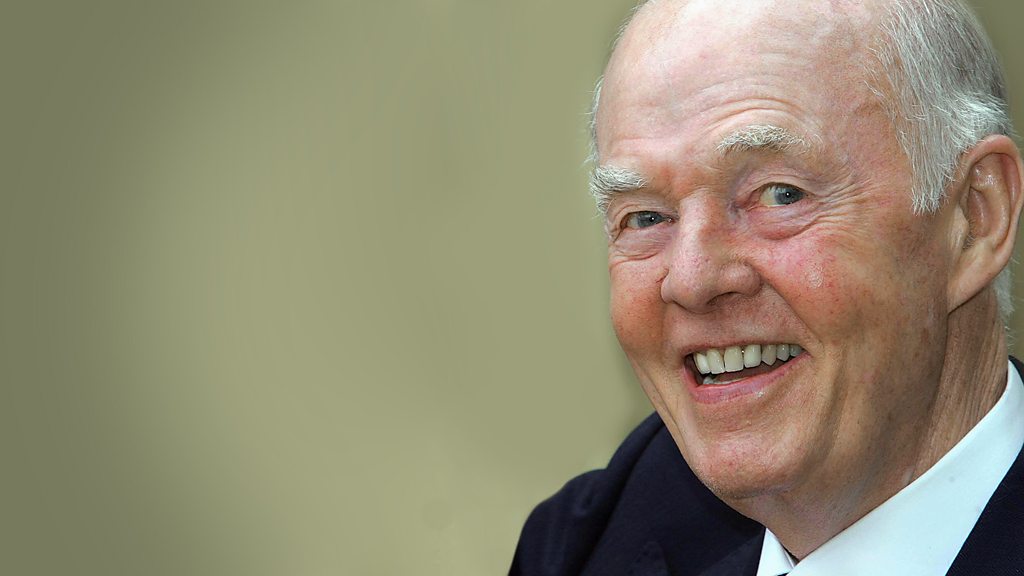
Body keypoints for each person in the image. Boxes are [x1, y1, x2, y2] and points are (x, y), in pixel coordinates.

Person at [511, 0, 1024, 574]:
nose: (693, 279)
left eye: (781, 195)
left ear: (974, 219)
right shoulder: (589, 542)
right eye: (646, 217)